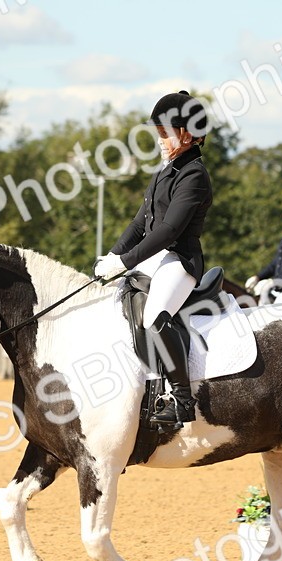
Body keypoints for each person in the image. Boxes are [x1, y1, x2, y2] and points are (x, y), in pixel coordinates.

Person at [94, 90, 213, 426]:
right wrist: (112, 256)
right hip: (153, 258)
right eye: (158, 132)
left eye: (165, 133)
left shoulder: (194, 176)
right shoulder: (165, 170)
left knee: (154, 316)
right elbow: (139, 222)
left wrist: (126, 261)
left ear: (187, 135)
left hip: (179, 259)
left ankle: (182, 400)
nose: (160, 139)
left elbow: (169, 230)